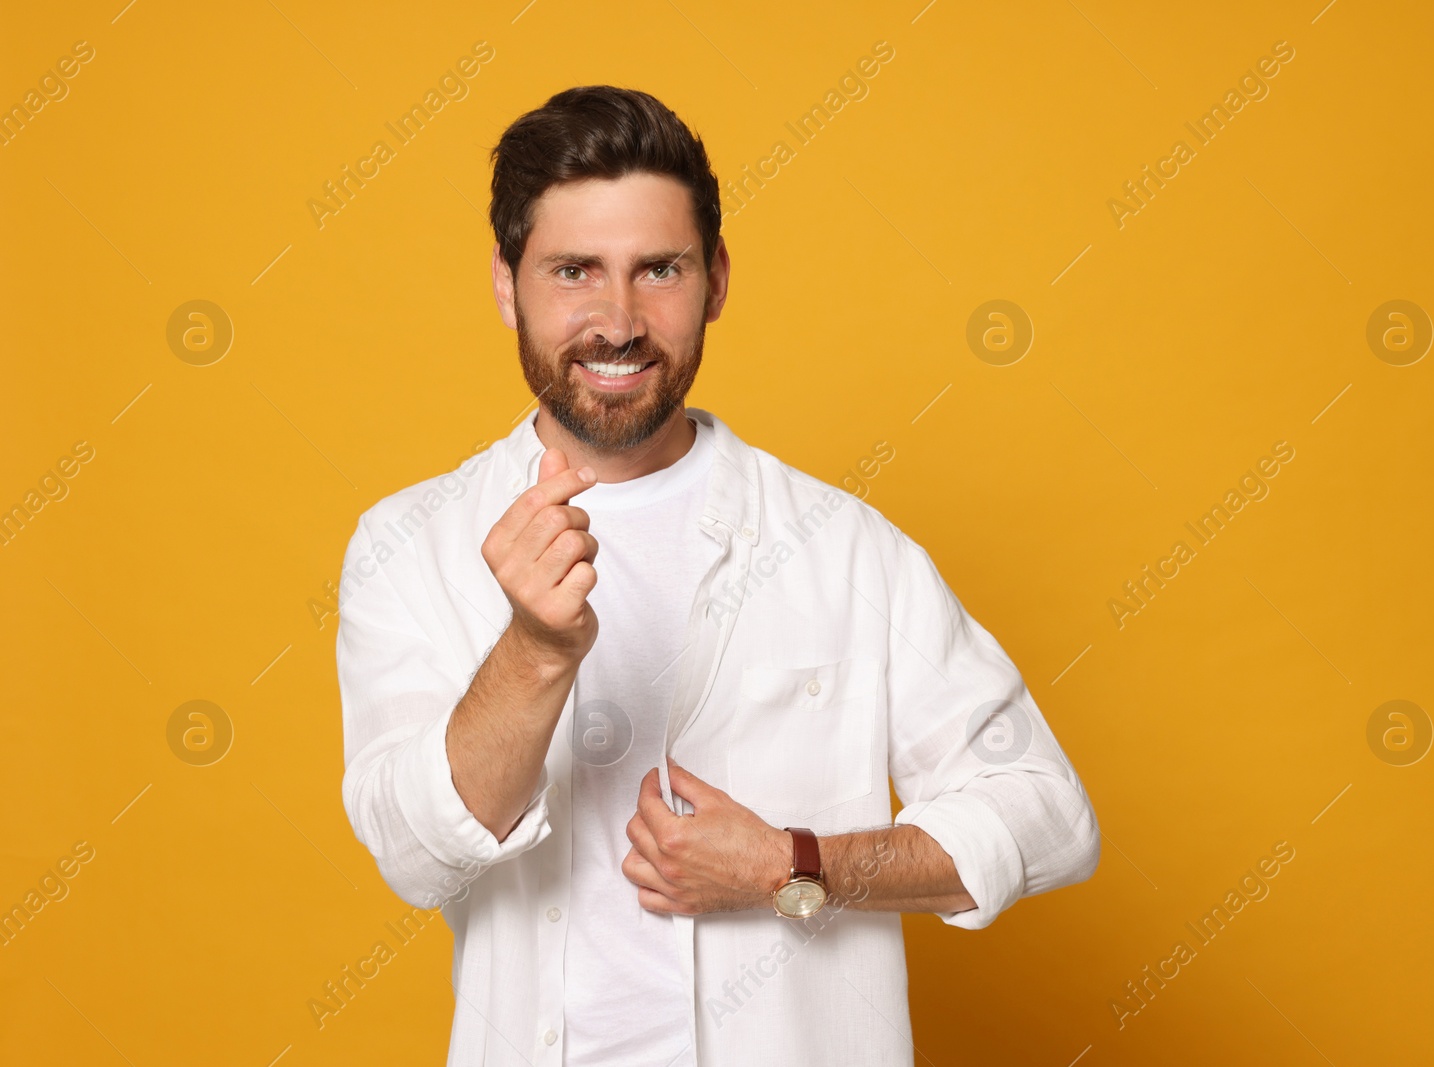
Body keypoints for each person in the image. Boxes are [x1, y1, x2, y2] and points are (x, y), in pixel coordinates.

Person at [335, 84, 1100, 1067]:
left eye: (659, 269)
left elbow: (1045, 810)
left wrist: (797, 864)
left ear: (717, 279)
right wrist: (532, 651)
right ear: (505, 283)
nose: (618, 320)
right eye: (574, 270)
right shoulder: (411, 544)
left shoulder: (843, 546)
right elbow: (415, 852)